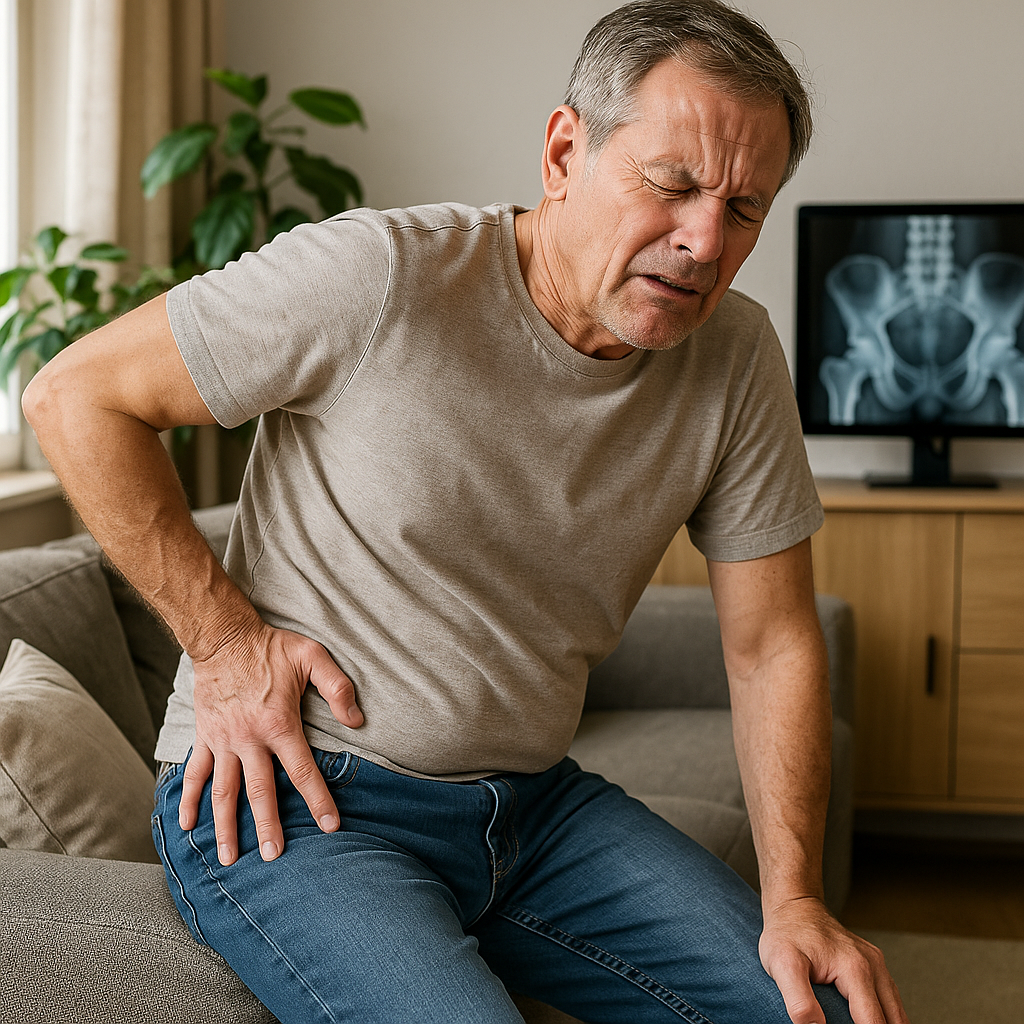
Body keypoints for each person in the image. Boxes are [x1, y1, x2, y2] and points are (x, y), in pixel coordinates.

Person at [24, 2, 908, 1022]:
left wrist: (794, 898)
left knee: (818, 1008)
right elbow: (75, 396)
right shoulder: (383, 275)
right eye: (672, 185)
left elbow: (773, 643)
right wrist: (224, 646)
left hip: (534, 811)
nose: (704, 240)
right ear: (565, 151)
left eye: (745, 209)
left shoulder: (736, 358)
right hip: (303, 806)